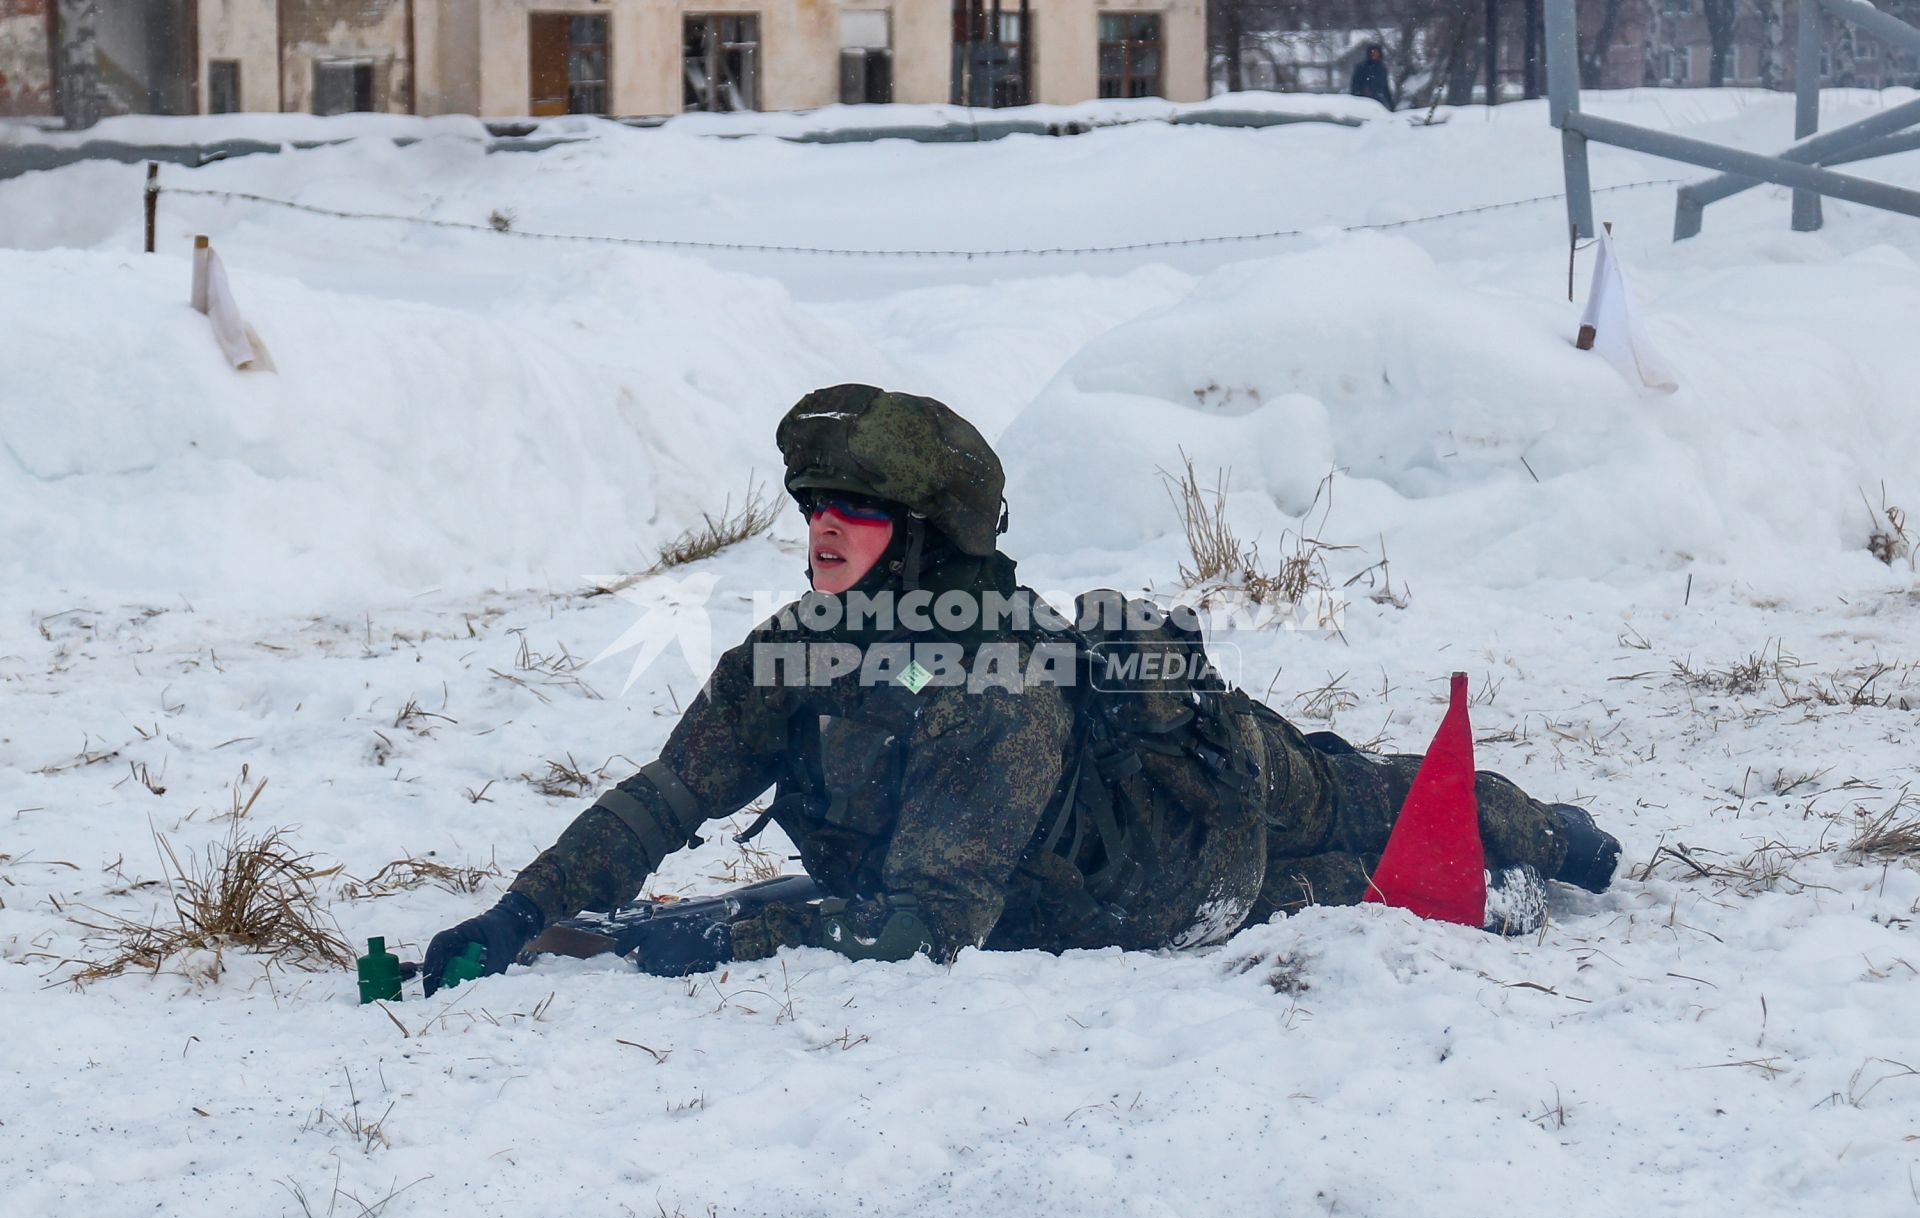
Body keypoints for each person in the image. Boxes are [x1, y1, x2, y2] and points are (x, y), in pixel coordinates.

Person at [420, 385, 1618, 993]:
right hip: (1062, 873)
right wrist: (522, 912)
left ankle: (1546, 833)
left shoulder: (992, 679)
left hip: (1176, 864)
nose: (824, 529)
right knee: (1359, 832)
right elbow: (667, 794)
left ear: (927, 531)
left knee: (1389, 832)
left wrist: (710, 931)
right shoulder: (797, 648)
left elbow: (923, 926)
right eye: (813, 508)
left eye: (858, 512)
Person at [1350, 43, 1396, 111]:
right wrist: (1357, 96)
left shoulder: (1382, 68)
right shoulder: (1362, 67)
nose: (1374, 54)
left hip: (1379, 101)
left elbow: (1385, 87)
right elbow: (1355, 84)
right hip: (1364, 101)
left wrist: (1391, 104)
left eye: (1376, 52)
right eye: (1372, 52)